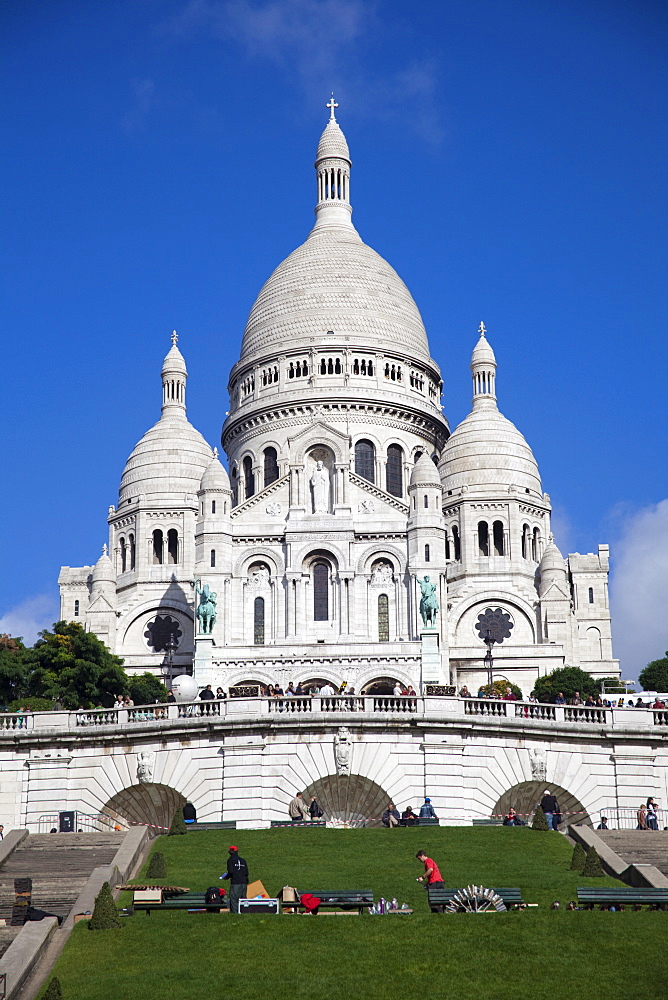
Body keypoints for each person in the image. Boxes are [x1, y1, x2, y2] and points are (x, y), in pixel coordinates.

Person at [220, 845, 248, 913]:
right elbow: (246, 873)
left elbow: (231, 871)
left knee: (234, 898)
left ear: (230, 851)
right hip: (244, 882)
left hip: (236, 882)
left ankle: (235, 913)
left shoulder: (230, 860)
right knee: (242, 898)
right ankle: (244, 911)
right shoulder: (243, 860)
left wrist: (226, 877)